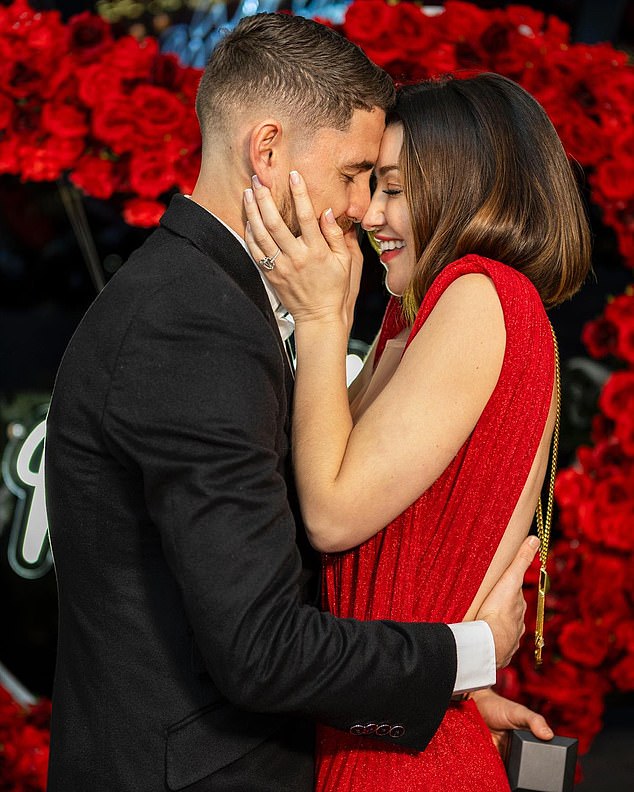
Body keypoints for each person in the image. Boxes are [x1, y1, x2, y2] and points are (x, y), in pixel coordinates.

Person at [45, 14, 546, 792]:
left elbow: (266, 576)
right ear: (267, 149)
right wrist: (467, 653)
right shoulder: (192, 322)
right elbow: (262, 647)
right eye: (355, 173)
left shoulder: (206, 299)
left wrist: (436, 696)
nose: (360, 207)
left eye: (383, 185)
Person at [243, 72, 591, 791]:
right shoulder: (429, 308)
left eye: (396, 187)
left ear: (470, 183)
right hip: (403, 727)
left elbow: (333, 512)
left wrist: (319, 322)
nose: (370, 211)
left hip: (401, 760)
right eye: (373, 183)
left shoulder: (476, 292)